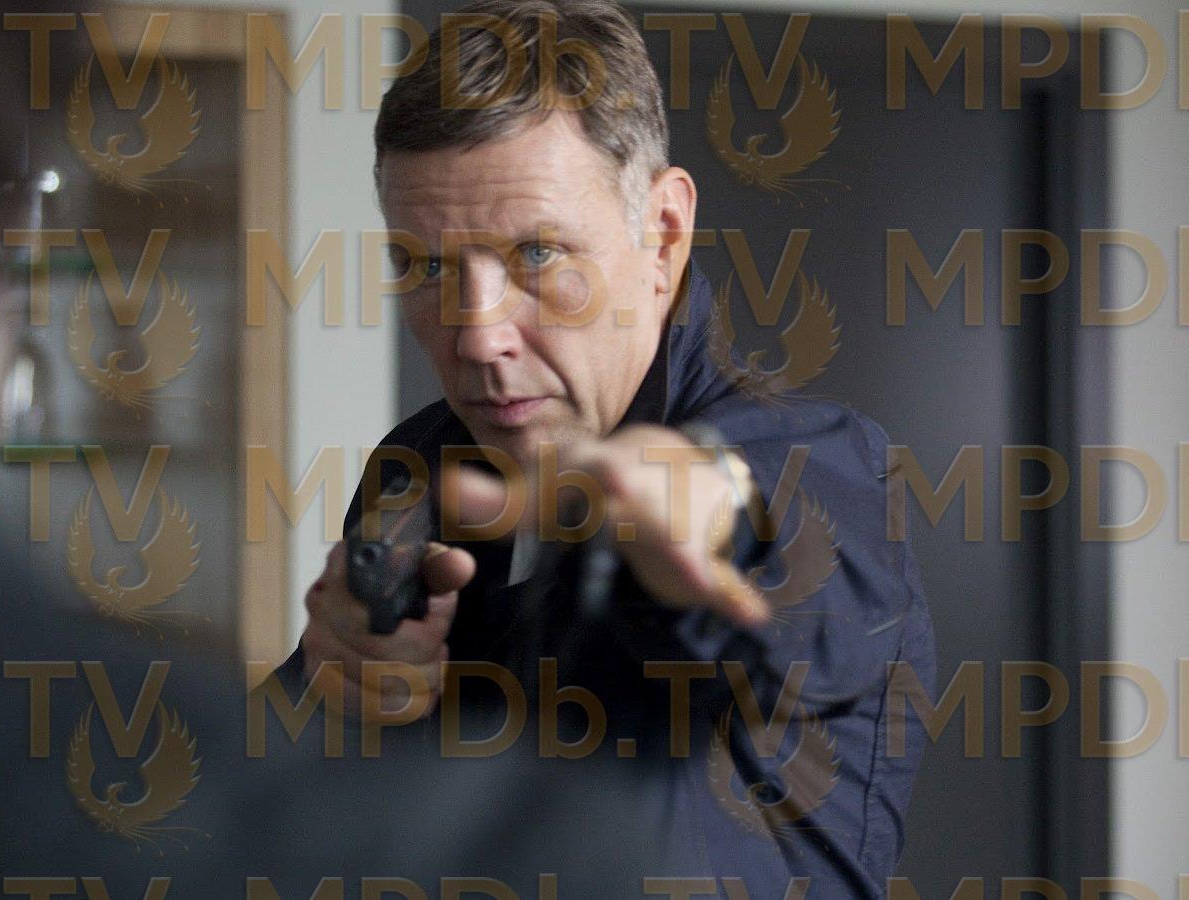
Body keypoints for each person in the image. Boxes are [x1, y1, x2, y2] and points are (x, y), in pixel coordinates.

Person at [269, 0, 938, 896]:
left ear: (662, 235)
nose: (477, 337)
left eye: (538, 254)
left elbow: (763, 522)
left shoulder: (827, 472)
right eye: (426, 266)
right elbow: (240, 816)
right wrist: (327, 688)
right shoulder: (420, 464)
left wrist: (700, 506)